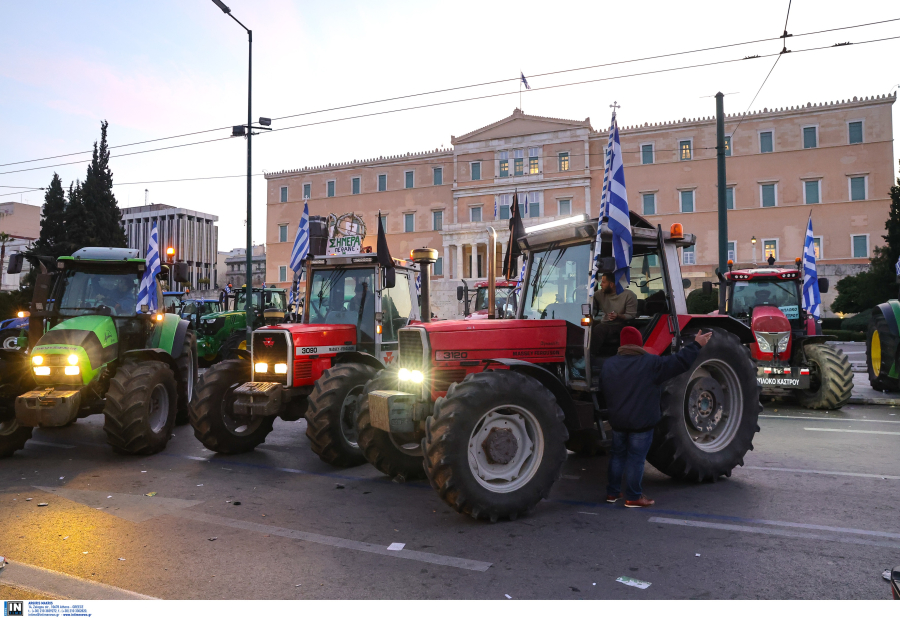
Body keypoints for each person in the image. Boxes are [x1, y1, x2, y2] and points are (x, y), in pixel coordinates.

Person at [601, 326, 712, 508]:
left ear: (622, 344)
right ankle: (633, 497)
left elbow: (604, 388)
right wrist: (696, 345)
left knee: (617, 456)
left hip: (618, 421)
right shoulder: (651, 363)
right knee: (636, 459)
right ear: (639, 343)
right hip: (641, 423)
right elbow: (679, 362)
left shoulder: (609, 364)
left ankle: (612, 493)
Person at [591, 272, 638, 354]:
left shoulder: (629, 295)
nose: (601, 285)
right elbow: (590, 304)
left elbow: (631, 315)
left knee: (599, 329)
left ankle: (590, 355)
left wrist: (618, 316)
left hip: (621, 324)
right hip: (605, 322)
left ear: (611, 284)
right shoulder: (599, 294)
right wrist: (584, 292)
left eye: (603, 282)